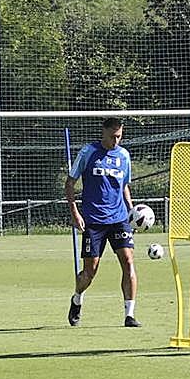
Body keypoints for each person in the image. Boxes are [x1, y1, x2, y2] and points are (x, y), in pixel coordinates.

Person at [65, 117, 141, 328]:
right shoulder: (88, 152)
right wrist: (75, 213)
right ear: (103, 133)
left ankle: (130, 315)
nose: (115, 141)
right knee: (90, 271)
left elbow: (124, 185)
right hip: (94, 220)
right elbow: (70, 183)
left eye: (119, 136)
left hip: (119, 219)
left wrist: (132, 211)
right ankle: (77, 298)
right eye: (112, 137)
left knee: (128, 261)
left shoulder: (124, 155)